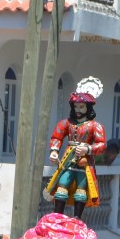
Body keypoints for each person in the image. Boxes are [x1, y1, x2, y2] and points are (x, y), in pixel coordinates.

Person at [46, 77, 107, 219]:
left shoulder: (95, 126)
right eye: (76, 106)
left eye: (81, 107)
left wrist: (88, 149)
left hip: (84, 163)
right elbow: (56, 137)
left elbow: (102, 145)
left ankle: (77, 218)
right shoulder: (66, 123)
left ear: (88, 108)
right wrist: (54, 151)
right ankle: (57, 217)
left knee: (81, 190)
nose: (78, 110)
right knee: (62, 186)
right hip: (68, 160)